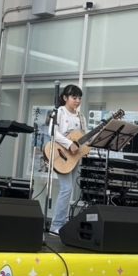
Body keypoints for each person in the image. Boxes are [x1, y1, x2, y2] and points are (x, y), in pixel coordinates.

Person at [49, 84, 85, 234]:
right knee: (66, 188)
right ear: (65, 98)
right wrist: (69, 144)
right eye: (74, 97)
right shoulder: (59, 112)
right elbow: (53, 132)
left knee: (69, 190)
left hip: (74, 157)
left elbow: (83, 137)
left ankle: (62, 224)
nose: (77, 101)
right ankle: (56, 225)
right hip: (60, 155)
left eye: (79, 98)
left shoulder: (81, 117)